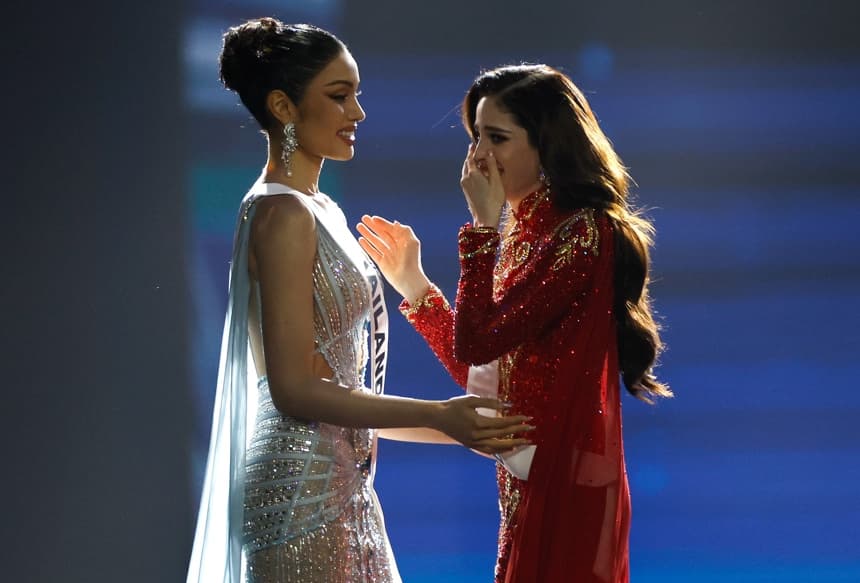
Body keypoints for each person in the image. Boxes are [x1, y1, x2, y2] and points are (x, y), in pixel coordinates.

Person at [186, 20, 532, 583]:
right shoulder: (282, 214)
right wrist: (440, 416)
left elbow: (346, 391)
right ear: (283, 106)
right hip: (301, 490)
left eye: (358, 95)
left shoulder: (317, 208)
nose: (358, 113)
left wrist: (459, 426)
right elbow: (296, 389)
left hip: (341, 480)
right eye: (339, 96)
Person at [357, 64, 672, 583]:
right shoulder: (526, 228)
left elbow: (480, 343)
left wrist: (481, 229)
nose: (478, 156)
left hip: (567, 493)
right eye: (474, 137)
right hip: (527, 485)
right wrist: (413, 285)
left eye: (497, 138)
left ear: (546, 144)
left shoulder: (583, 233)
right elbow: (490, 385)